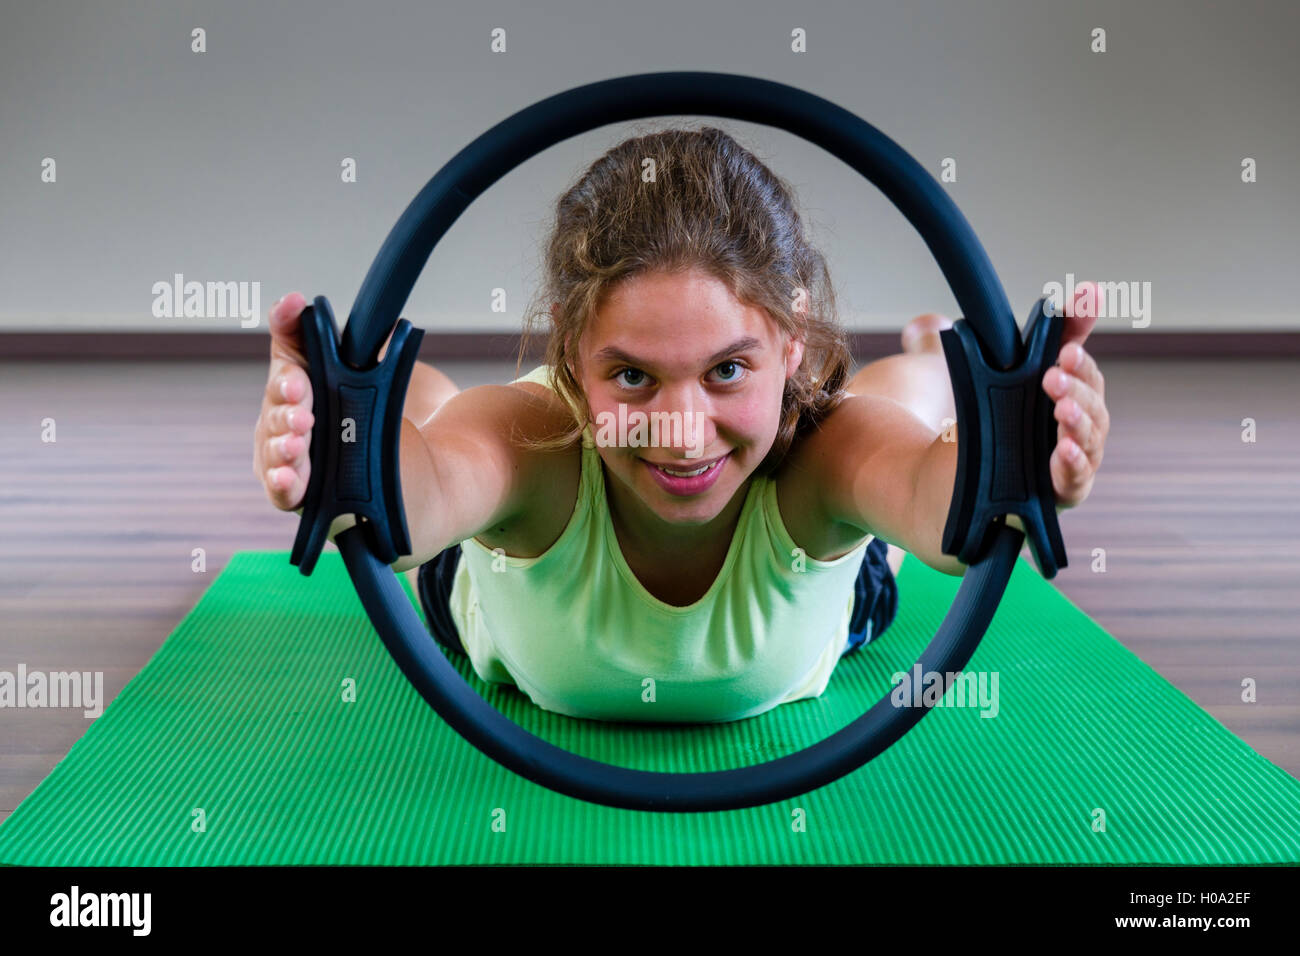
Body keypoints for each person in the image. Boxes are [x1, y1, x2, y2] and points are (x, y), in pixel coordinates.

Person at [252, 126, 1109, 723]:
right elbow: (418, 501)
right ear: (571, 349)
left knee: (904, 408)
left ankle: (924, 353)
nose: (683, 432)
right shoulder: (536, 442)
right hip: (486, 614)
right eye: (632, 375)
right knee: (435, 420)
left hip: (829, 587)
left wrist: (1021, 455)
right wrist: (342, 443)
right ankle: (414, 393)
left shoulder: (820, 458)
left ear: (792, 340)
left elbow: (939, 506)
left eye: (727, 369)